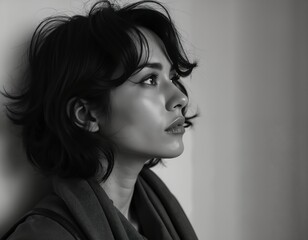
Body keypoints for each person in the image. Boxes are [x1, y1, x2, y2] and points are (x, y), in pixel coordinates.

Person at [1, 0, 198, 239]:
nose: (180, 98)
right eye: (149, 79)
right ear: (86, 114)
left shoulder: (158, 214)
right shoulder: (44, 235)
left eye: (173, 77)